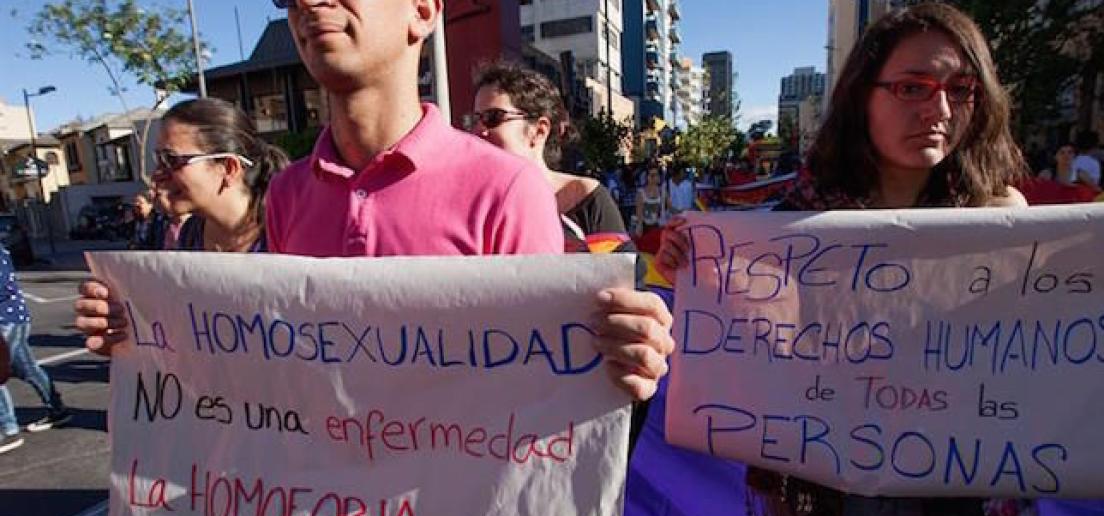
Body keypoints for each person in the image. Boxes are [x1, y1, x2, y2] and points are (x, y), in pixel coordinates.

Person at [654, 4, 1104, 516]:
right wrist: (693, 267)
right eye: (912, 87)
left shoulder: (1004, 218)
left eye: (961, 90)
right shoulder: (785, 230)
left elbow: (1053, 336)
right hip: (831, 503)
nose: (939, 110)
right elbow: (747, 338)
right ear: (861, 96)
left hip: (973, 499)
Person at [77, 0, 669, 403]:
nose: (308, 4)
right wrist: (148, 338)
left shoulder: (507, 191)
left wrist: (617, 360)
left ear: (423, 10)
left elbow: (544, 395)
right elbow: (280, 374)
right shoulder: (287, 196)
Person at [471, 62, 635, 254]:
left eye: (493, 117)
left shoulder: (584, 198)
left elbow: (623, 272)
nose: (479, 130)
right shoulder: (473, 205)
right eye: (476, 119)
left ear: (539, 131)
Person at [151, 98, 289, 252]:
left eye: (171, 159)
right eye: (159, 159)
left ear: (229, 168)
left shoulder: (287, 231)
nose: (157, 174)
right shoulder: (190, 234)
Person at [0, 246, 70, 454]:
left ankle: (8, 429)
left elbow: (2, 287)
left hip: (6, 321)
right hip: (13, 318)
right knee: (27, 369)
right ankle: (58, 410)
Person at [634, 166, 666, 253]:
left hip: (657, 226)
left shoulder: (662, 191)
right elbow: (639, 213)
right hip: (645, 226)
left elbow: (669, 207)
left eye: (656, 175)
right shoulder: (641, 192)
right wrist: (639, 227)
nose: (654, 178)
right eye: (652, 175)